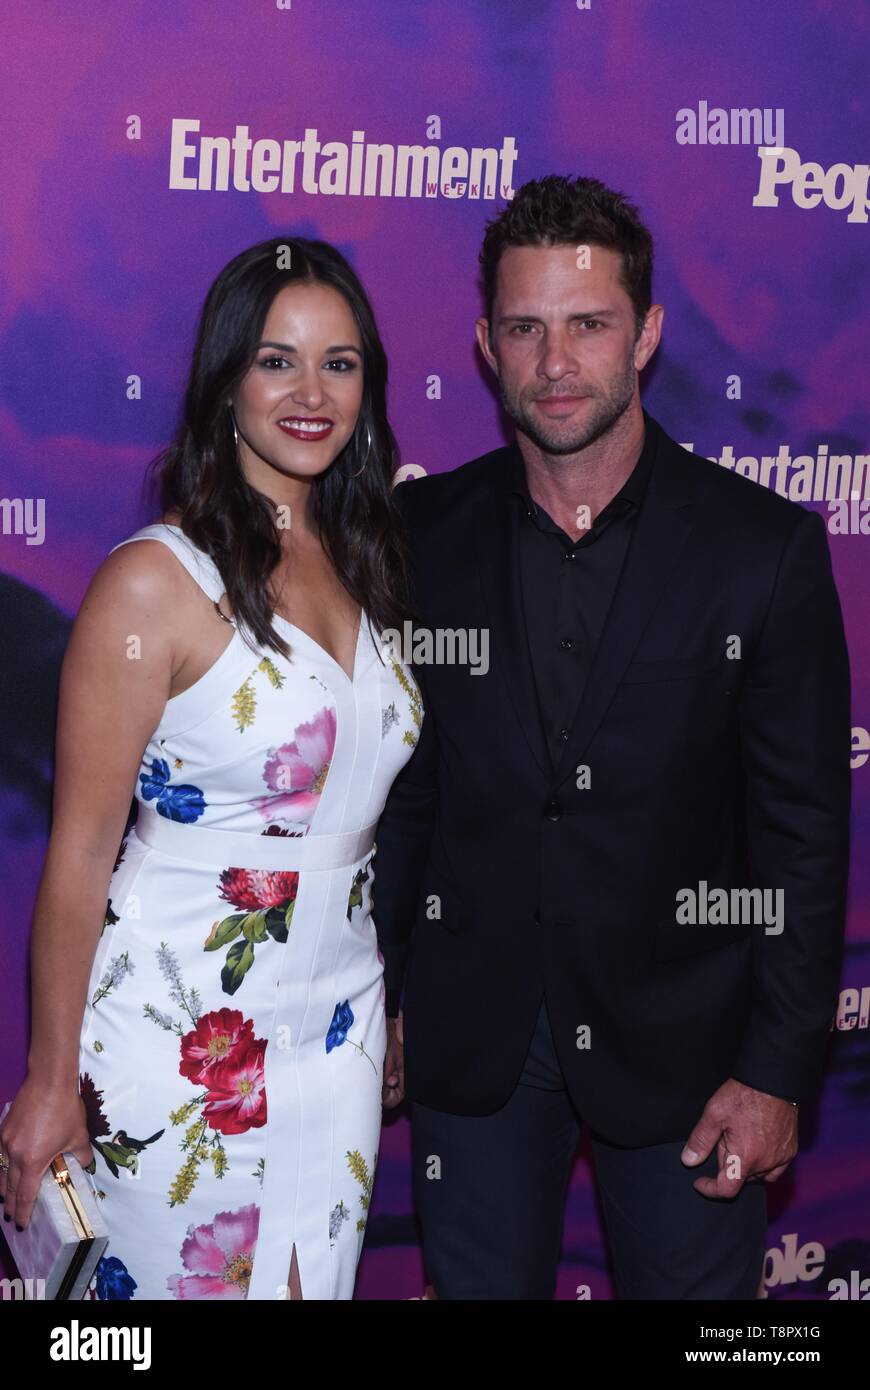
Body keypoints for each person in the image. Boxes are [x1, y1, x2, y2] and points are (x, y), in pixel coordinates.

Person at [373, 175, 852, 1300]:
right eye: (526, 329)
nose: (555, 362)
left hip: (688, 1050)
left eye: (587, 325)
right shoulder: (419, 536)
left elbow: (801, 837)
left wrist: (776, 1071)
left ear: (646, 335)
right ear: (486, 346)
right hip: (476, 1040)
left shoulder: (762, 549)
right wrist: (383, 988)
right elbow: (405, 795)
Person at [0, 235, 423, 1300]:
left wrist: (388, 1006)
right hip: (177, 1039)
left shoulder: (372, 562)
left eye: (341, 361)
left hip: (338, 1037)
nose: (311, 391)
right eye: (277, 359)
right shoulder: (153, 584)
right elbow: (80, 858)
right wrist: (51, 1080)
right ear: (226, 378)